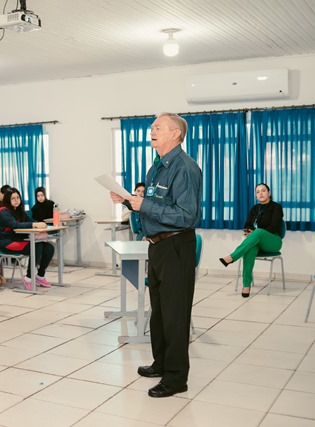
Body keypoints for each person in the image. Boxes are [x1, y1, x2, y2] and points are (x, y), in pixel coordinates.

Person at [110, 113, 201, 398]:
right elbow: (153, 203)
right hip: (157, 245)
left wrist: (143, 205)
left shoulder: (185, 168)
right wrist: (127, 200)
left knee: (175, 315)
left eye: (158, 127)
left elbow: (187, 215)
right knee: (160, 312)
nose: (152, 130)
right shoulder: (156, 168)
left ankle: (176, 378)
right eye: (152, 127)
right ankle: (161, 362)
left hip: (176, 245)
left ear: (175, 134)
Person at [219, 183, 284, 297]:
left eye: (263, 190)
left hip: (273, 241)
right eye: (258, 192)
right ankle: (246, 285)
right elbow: (247, 224)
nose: (260, 193)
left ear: (269, 193)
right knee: (250, 249)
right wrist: (251, 231)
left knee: (258, 232)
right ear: (256, 196)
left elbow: (274, 226)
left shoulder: (276, 207)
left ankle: (232, 257)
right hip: (258, 242)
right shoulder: (255, 208)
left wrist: (255, 232)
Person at [0, 188, 55, 290]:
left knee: (49, 248)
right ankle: (28, 278)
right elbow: (15, 225)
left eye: (18, 197)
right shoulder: (4, 211)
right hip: (7, 242)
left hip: (19, 239)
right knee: (36, 246)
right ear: (8, 199)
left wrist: (39, 224)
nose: (16, 200)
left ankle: (40, 276)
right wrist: (35, 224)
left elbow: (30, 220)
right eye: (13, 198)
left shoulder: (19, 210)